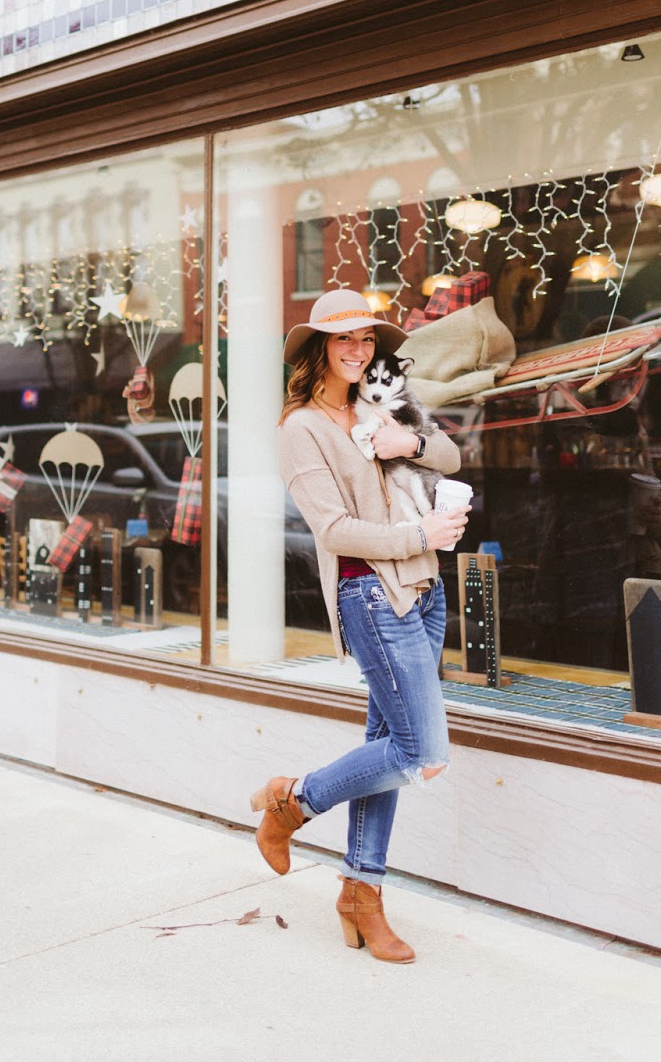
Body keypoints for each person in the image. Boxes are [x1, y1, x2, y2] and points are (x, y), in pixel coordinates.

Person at [251, 288, 468, 963]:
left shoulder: (377, 403)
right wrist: (419, 532)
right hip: (374, 597)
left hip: (423, 592)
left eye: (368, 339)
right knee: (419, 754)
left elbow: (454, 460)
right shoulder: (302, 428)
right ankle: (293, 802)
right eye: (343, 339)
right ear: (317, 348)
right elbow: (335, 530)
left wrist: (415, 440)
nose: (358, 349)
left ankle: (360, 894)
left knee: (386, 753)